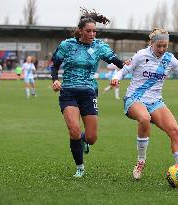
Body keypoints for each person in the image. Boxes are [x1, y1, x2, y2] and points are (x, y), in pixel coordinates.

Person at [111, 28, 178, 181]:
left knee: (175, 131)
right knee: (144, 118)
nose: (162, 49)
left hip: (156, 102)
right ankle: (140, 162)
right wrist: (117, 78)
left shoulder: (169, 59)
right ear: (151, 43)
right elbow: (124, 70)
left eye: (165, 46)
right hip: (135, 99)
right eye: (159, 46)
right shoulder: (141, 55)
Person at [51, 8, 126, 178]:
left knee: (91, 138)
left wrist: (129, 65)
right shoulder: (67, 45)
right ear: (80, 31)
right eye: (89, 31)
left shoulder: (100, 46)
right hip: (68, 92)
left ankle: (83, 142)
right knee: (74, 130)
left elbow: (117, 62)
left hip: (89, 93)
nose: (92, 34)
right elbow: (54, 64)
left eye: (94, 31)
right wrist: (55, 79)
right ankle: (80, 168)